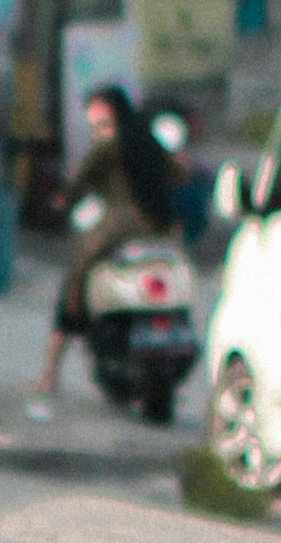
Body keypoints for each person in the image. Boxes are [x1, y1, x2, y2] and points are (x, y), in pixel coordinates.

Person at [29, 86, 178, 421]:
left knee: (77, 273)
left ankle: (52, 367)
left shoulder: (110, 143)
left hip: (122, 224)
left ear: (107, 109)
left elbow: (81, 183)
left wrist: (61, 200)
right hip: (160, 228)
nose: (92, 118)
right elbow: (177, 172)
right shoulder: (149, 138)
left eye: (95, 110)